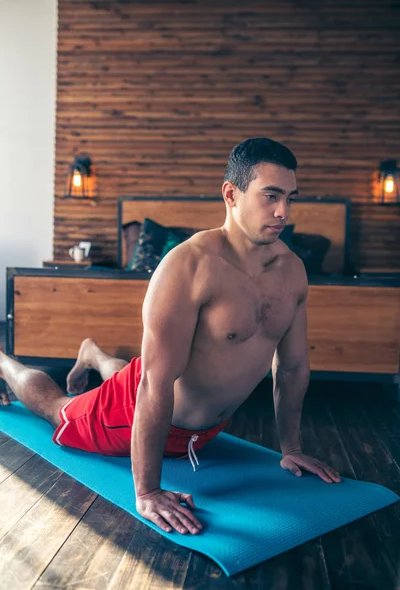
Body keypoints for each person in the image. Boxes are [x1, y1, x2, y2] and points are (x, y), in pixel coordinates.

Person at [0, 137, 341, 537]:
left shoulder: (292, 270)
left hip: (202, 428)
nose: (283, 211)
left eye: (290, 197)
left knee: (149, 367)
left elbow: (293, 367)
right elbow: (153, 384)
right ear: (231, 194)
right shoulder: (189, 266)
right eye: (270, 196)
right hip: (136, 410)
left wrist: (292, 448)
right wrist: (146, 491)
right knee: (58, 409)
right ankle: (5, 364)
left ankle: (93, 354)